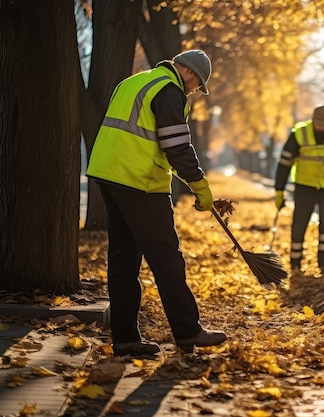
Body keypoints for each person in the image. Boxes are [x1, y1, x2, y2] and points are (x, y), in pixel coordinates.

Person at [86, 50, 227, 357]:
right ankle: (188, 331)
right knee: (166, 258)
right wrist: (199, 183)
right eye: (196, 85)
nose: (192, 92)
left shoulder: (134, 82)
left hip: (109, 174)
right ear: (189, 73)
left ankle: (125, 339)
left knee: (123, 258)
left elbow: (148, 138)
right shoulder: (169, 90)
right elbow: (176, 145)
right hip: (140, 181)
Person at [274, 105, 324, 275]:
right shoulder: (299, 134)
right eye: (319, 123)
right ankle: (296, 263)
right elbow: (284, 164)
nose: (321, 127)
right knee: (300, 223)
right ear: (313, 120)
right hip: (304, 186)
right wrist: (279, 190)